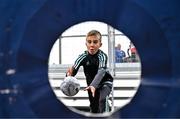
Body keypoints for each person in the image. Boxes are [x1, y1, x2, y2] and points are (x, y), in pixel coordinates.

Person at [66, 30, 113, 113]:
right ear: (86, 44)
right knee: (94, 107)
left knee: (102, 99)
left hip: (105, 83)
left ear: (100, 44)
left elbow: (101, 71)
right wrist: (69, 75)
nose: (92, 45)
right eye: (89, 42)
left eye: (95, 42)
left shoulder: (102, 56)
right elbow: (74, 69)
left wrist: (93, 85)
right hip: (90, 86)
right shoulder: (82, 57)